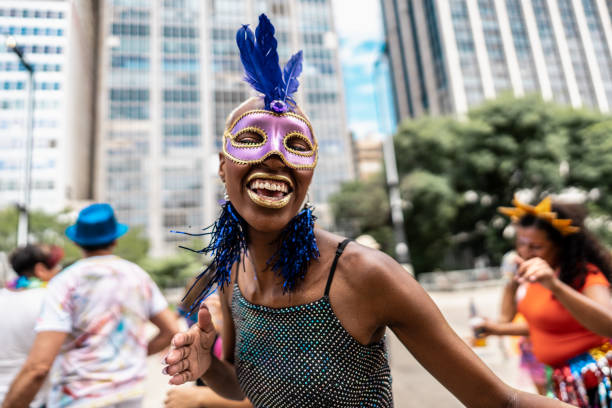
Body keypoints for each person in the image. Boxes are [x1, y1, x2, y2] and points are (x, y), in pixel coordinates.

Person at [161, 14, 571, 408]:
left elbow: (502, 400)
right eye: (253, 138)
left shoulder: (364, 274)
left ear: (311, 171)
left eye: (295, 145)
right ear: (222, 165)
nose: (274, 156)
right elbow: (244, 389)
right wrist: (208, 367)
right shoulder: (233, 270)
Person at [3, 203, 178, 408]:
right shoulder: (138, 276)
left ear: (78, 242)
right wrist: (134, 355)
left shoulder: (66, 282)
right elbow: (171, 329)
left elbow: (39, 366)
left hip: (78, 398)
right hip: (129, 394)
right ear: (115, 240)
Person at [476, 196, 612, 406]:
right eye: (521, 243)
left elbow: (609, 325)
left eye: (536, 247)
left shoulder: (585, 275)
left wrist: (555, 286)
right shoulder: (536, 277)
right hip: (564, 379)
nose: (525, 252)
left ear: (560, 245)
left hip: (596, 377)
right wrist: (495, 328)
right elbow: (542, 325)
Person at [0, 244, 63, 407]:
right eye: (56, 266)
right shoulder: (50, 302)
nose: (60, 271)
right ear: (40, 269)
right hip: (30, 400)